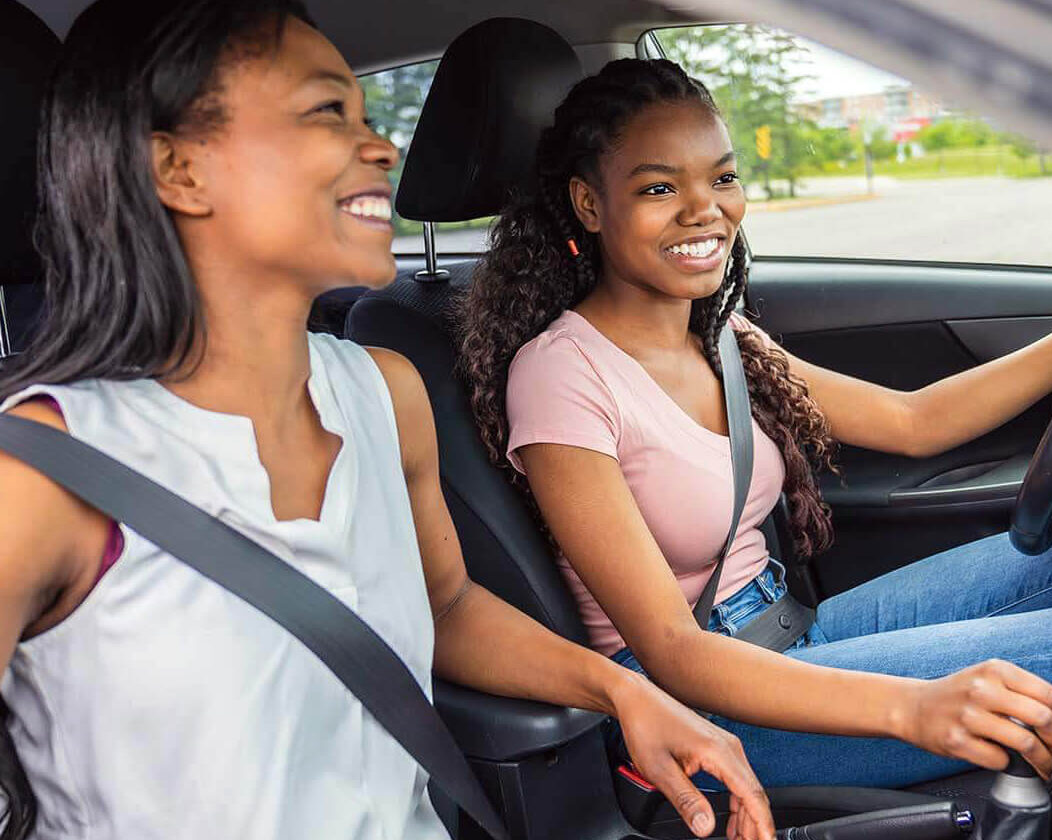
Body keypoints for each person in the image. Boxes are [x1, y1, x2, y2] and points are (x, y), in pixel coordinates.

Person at [0, 7, 777, 840]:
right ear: (178, 168)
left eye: (368, 118)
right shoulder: (43, 474)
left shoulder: (384, 391)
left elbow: (445, 609)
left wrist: (624, 691)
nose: (380, 147)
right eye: (326, 113)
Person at [459, 57, 1052, 802]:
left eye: (721, 178)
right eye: (659, 187)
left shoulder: (723, 336)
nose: (704, 210)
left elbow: (917, 420)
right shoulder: (560, 375)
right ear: (589, 204)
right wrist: (911, 707)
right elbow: (675, 652)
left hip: (790, 633)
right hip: (699, 707)